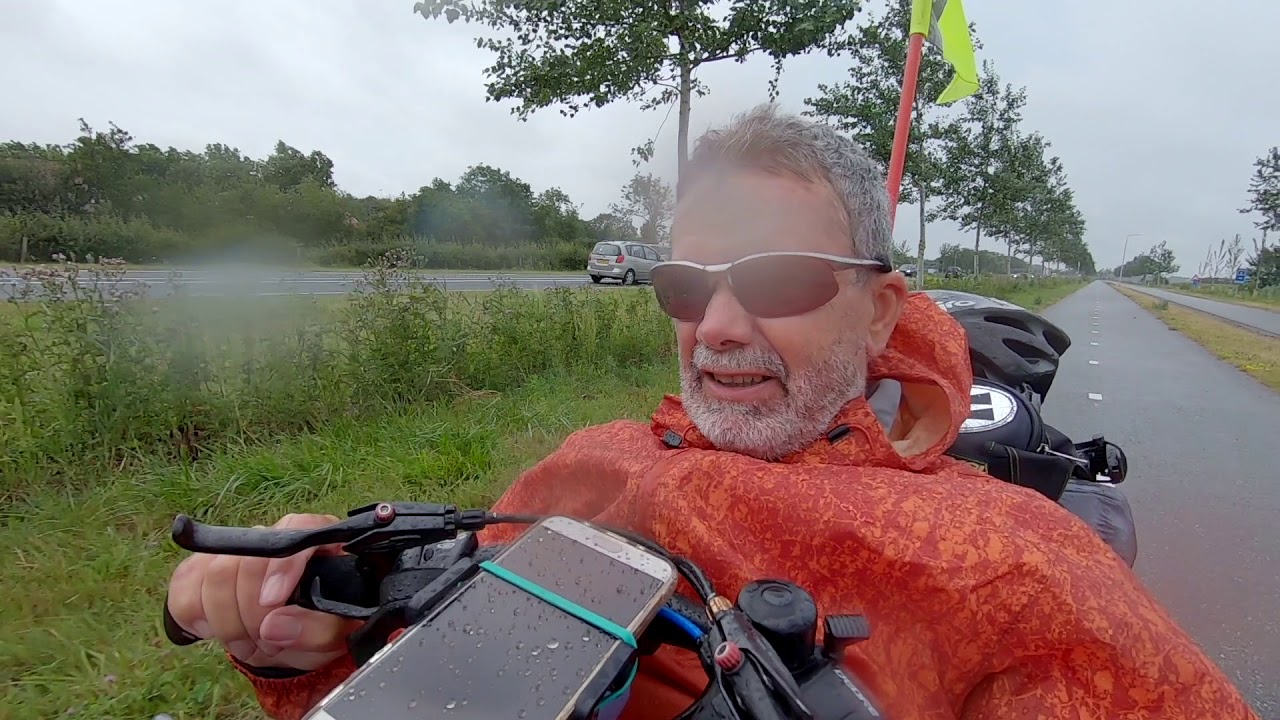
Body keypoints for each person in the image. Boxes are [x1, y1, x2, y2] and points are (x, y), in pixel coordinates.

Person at [165, 104, 1259, 720]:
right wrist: (299, 637)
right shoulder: (583, 467)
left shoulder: (1017, 571)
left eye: (778, 281)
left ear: (881, 315)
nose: (718, 325)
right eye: (687, 285)